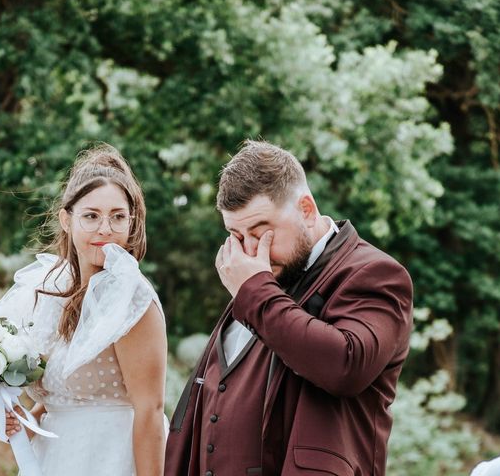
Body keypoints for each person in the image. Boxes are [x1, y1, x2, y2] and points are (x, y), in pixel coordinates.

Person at [165, 140, 413, 475]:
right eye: (235, 236)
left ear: (306, 210)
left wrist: (254, 290)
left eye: (261, 231)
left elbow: (346, 365)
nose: (252, 250)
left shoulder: (375, 274)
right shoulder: (262, 279)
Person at [0, 144, 167, 475]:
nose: (105, 229)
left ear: (131, 223)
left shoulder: (132, 300)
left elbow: (150, 410)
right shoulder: (54, 291)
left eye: (118, 217)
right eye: (91, 216)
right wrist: (23, 421)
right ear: (67, 219)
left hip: (111, 459)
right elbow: (62, 401)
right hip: (55, 460)